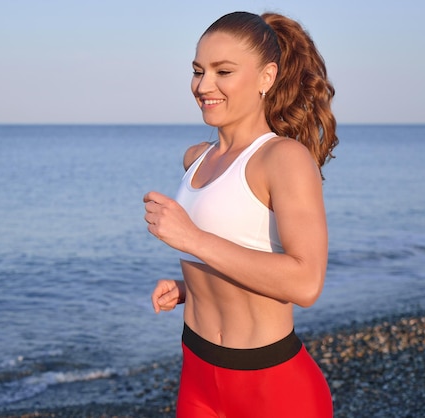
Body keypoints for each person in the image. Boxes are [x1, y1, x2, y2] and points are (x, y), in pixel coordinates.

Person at [143, 10, 338, 418]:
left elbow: (306, 282)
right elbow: (243, 242)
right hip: (197, 375)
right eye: (198, 70)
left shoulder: (284, 158)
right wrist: (192, 285)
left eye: (223, 71)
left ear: (266, 77)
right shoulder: (195, 159)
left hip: (273, 388)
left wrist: (191, 239)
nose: (203, 85)